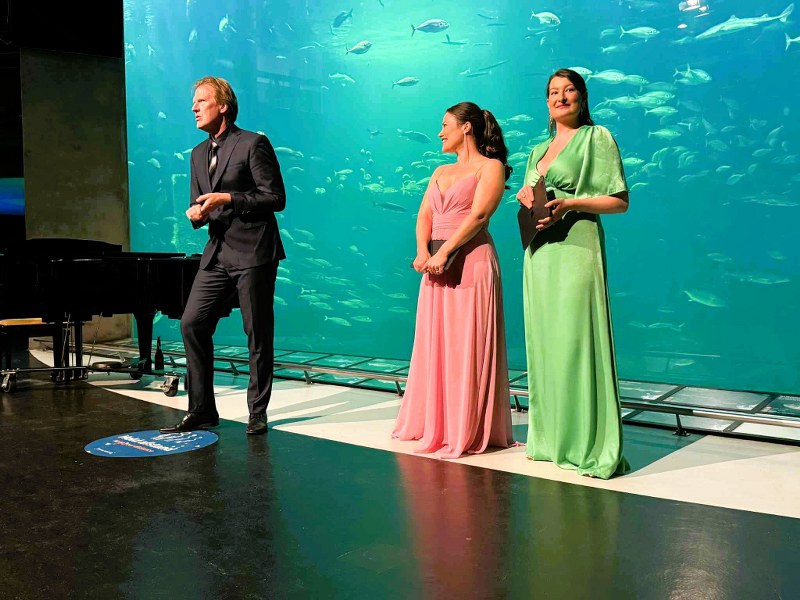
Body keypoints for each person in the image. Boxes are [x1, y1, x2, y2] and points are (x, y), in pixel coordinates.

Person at [516, 68, 629, 478]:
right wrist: (525, 195)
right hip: (539, 254)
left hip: (577, 247)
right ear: (546, 103)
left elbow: (620, 201)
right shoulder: (536, 150)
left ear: (582, 97)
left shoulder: (597, 137)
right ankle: (551, 439)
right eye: (553, 92)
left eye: (569, 90)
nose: (560, 97)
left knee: (578, 339)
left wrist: (571, 203)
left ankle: (589, 443)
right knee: (545, 342)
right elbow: (533, 197)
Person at [160, 76, 286, 436]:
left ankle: (257, 411)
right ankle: (202, 409)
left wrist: (228, 198)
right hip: (217, 252)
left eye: (202, 101)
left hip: (254, 250)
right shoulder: (197, 154)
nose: (194, 107)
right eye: (194, 102)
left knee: (256, 332)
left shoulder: (253, 143)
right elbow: (200, 204)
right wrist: (196, 214)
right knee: (192, 323)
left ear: (224, 106)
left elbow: (275, 197)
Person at [392, 101, 516, 458]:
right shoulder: (439, 171)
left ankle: (467, 426)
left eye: (445, 125)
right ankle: (437, 422)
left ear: (466, 127)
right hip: (434, 264)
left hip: (472, 261)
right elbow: (424, 215)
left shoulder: (491, 167)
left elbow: (479, 216)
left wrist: (445, 252)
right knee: (436, 341)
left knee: (467, 342)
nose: (439, 133)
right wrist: (423, 252)